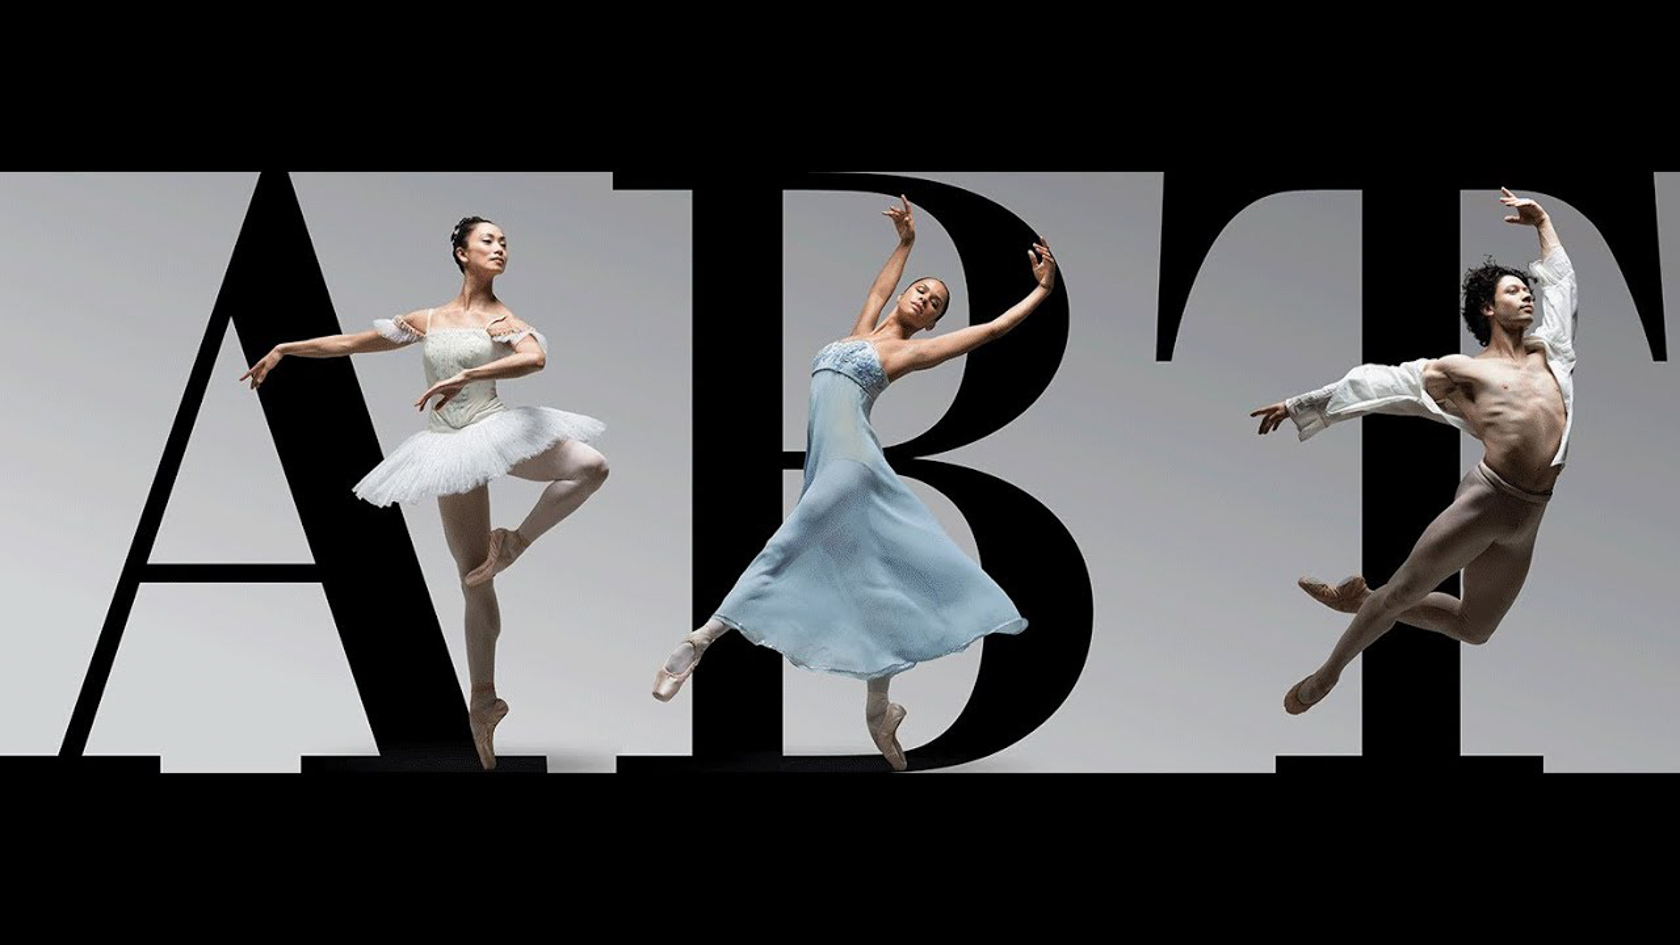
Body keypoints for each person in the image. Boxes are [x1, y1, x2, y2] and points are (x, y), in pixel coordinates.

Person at [652, 195, 1055, 770]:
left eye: (935, 303)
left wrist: (1042, 291)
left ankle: (700, 641)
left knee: (784, 545)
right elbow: (876, 291)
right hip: (826, 465)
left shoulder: (908, 353)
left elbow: (990, 330)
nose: (924, 298)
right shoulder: (858, 333)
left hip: (853, 464)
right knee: (870, 586)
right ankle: (879, 710)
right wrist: (906, 243)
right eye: (921, 289)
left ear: (932, 323)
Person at [238, 215, 609, 767]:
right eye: (488, 240)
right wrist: (286, 347)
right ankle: (482, 703)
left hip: (493, 427)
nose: (500, 248)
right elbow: (352, 343)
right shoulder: (428, 320)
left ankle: (514, 542)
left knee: (589, 466)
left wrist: (465, 377)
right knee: (473, 579)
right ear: (461, 252)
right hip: (447, 447)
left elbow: (535, 358)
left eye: (505, 242)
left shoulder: (502, 320)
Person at [1250, 188, 1578, 715]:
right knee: (1403, 591)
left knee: (1475, 627)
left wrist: (1542, 222)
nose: (1528, 297)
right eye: (1514, 291)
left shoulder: (1552, 353)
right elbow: (1381, 384)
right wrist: (1299, 404)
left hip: (1531, 514)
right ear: (1488, 308)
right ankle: (1326, 675)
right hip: (1488, 500)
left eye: (1526, 290)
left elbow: (1561, 285)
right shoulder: (1463, 371)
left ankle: (1363, 601)